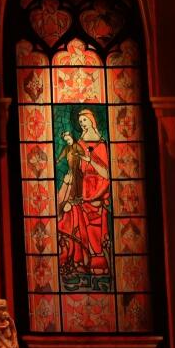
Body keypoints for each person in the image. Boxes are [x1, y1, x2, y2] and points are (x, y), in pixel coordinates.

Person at [56, 108, 111, 277]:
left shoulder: (101, 145)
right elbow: (75, 167)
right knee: (75, 219)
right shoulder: (79, 144)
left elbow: (106, 173)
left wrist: (90, 161)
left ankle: (98, 257)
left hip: (97, 189)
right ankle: (82, 260)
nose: (82, 124)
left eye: (84, 120)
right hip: (81, 189)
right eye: (80, 122)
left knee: (95, 222)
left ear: (92, 120)